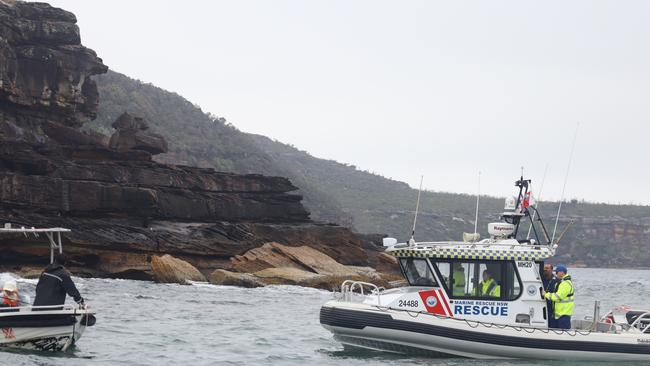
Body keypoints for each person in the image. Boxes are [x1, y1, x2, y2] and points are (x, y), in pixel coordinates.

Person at [543, 264, 574, 330]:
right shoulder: (563, 282)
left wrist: (546, 294)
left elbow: (557, 297)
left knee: (563, 335)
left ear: (561, 273)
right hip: (560, 314)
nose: (556, 274)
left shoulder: (565, 283)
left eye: (556, 272)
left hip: (564, 315)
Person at [542, 263, 559, 328]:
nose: (545, 270)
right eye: (544, 268)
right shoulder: (541, 279)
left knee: (552, 325)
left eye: (547, 268)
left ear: (552, 270)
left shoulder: (556, 280)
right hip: (542, 304)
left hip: (551, 307)